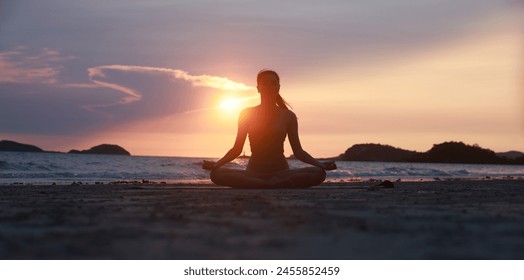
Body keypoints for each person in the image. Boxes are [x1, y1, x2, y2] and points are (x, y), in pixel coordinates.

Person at [202, 69, 337, 188]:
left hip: (281, 172)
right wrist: (216, 164)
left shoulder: (288, 116)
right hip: (253, 172)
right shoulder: (246, 113)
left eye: (273, 83)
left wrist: (320, 164)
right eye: (265, 83)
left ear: (278, 87)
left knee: (318, 173)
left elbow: (298, 151)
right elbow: (237, 149)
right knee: (217, 174)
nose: (269, 86)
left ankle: (261, 184)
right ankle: (269, 184)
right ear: (258, 87)